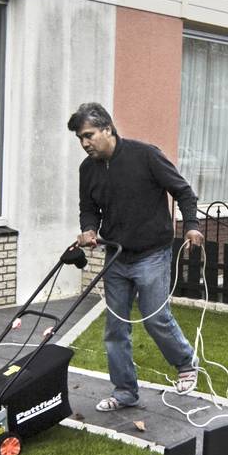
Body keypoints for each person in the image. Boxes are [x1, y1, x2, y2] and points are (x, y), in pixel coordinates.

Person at [69, 102, 204, 412]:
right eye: (80, 138)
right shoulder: (87, 169)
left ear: (107, 129)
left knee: (155, 317)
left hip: (152, 253)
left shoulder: (145, 155)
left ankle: (185, 363)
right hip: (116, 256)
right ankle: (125, 392)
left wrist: (191, 226)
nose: (85, 143)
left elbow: (183, 191)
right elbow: (88, 208)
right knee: (115, 328)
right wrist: (89, 230)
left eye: (89, 135)